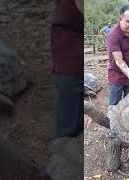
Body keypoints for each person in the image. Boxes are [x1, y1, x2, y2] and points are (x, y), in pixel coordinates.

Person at [50, 0, 83, 138]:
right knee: (68, 130)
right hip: (72, 66)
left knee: (67, 118)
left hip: (64, 63)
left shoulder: (62, 10)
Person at [106, 4, 129, 105]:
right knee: (114, 106)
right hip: (117, 76)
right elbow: (119, 61)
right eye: (128, 21)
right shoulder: (113, 35)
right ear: (120, 19)